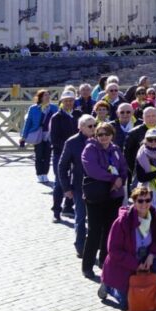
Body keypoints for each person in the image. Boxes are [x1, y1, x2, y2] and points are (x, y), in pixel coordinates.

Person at [98, 184, 156, 308]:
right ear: (134, 201)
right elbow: (113, 251)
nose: (144, 204)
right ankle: (109, 286)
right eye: (140, 201)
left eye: (147, 200)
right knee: (127, 304)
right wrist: (135, 264)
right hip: (122, 265)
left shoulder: (154, 217)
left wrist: (152, 254)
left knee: (148, 296)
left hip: (144, 261)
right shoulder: (122, 222)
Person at [81, 123, 128, 280]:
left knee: (109, 230)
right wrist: (114, 178)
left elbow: (123, 166)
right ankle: (87, 266)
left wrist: (121, 178)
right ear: (96, 135)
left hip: (114, 196)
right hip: (97, 196)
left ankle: (104, 262)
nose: (103, 137)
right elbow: (92, 170)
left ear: (112, 135)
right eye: (100, 134)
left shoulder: (115, 149)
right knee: (94, 231)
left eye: (106, 134)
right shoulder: (90, 149)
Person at [59, 115, 95, 257]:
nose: (93, 128)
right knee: (81, 217)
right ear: (80, 127)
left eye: (94, 125)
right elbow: (62, 166)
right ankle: (80, 246)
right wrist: (66, 188)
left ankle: (95, 245)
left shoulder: (100, 138)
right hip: (79, 186)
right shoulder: (72, 142)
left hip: (98, 185)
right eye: (89, 126)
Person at [49, 90, 79, 222]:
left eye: (71, 100)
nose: (68, 103)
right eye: (66, 100)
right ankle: (56, 210)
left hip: (76, 154)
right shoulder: (56, 117)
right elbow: (54, 139)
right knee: (60, 182)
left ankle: (68, 206)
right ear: (61, 102)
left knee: (75, 180)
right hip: (60, 154)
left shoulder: (78, 115)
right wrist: (68, 148)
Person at [22, 89, 58, 183]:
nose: (47, 97)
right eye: (45, 95)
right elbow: (28, 122)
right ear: (40, 97)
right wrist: (23, 136)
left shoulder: (54, 108)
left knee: (47, 155)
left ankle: (45, 174)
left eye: (48, 95)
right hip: (37, 133)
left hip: (49, 134)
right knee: (39, 154)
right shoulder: (33, 108)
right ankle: (39, 174)